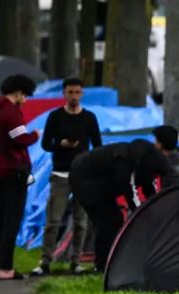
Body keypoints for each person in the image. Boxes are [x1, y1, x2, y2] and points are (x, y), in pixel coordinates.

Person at [70, 132, 179, 273]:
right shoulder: (123, 160)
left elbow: (149, 188)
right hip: (84, 180)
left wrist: (155, 206)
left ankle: (106, 264)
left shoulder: (147, 161)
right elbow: (128, 188)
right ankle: (103, 265)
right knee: (107, 222)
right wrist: (140, 212)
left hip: (99, 184)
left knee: (113, 220)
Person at [32, 78, 103, 277]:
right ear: (64, 93)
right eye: (70, 92)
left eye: (77, 92)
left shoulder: (89, 118)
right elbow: (45, 144)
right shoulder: (55, 117)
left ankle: (76, 261)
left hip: (83, 174)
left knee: (81, 221)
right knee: (53, 219)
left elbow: (97, 145)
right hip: (60, 172)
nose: (73, 96)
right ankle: (45, 261)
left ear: (82, 94)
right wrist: (60, 144)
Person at [0, 75, 39, 281]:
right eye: (25, 95)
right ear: (17, 93)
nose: (26, 99)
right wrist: (35, 135)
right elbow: (20, 139)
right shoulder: (11, 112)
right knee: (11, 221)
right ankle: (7, 268)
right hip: (14, 171)